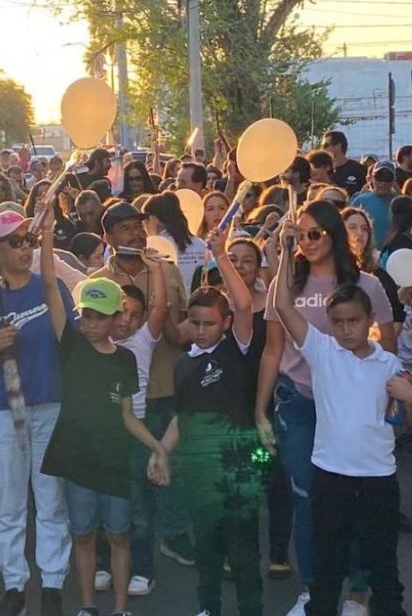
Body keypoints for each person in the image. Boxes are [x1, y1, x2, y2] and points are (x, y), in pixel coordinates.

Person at [256, 200, 396, 616]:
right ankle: (313, 590)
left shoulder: (367, 285)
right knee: (306, 500)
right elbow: (272, 351)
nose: (307, 241)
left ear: (334, 233)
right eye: (300, 235)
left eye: (314, 233)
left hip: (354, 411)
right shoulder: (289, 286)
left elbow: (387, 347)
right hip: (298, 403)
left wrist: (388, 402)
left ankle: (357, 592)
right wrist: (259, 411)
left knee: (354, 499)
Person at [39, 226, 159, 616]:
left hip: (114, 462)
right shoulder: (71, 345)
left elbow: (126, 415)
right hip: (77, 462)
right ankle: (89, 605)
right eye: (83, 315)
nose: (87, 322)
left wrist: (157, 447)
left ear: (113, 318)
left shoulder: (125, 359)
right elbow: (49, 288)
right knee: (84, 535)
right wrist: (45, 237)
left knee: (120, 536)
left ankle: (120, 608)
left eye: (95, 316)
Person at [0, 211, 72, 616]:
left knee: (51, 500)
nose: (25, 247)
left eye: (29, 239)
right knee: (8, 504)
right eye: (15, 241)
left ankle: (54, 581)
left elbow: (69, 342)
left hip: (50, 407)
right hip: (1, 414)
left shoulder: (53, 288)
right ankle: (14, 585)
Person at [156, 224, 265, 616]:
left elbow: (245, 306)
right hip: (199, 469)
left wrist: (221, 254)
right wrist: (162, 452)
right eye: (195, 323)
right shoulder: (183, 365)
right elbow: (181, 418)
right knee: (207, 548)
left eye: (210, 324)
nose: (201, 331)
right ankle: (208, 608)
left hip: (240, 465)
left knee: (244, 553)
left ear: (224, 324)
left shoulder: (237, 350)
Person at [90, 202, 196, 578]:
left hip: (165, 385)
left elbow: (182, 332)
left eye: (138, 226)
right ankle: (131, 551)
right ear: (108, 238)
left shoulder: (166, 271)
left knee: (171, 469)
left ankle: (175, 533)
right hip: (119, 400)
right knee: (129, 479)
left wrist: (165, 319)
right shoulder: (99, 280)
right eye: (124, 229)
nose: (135, 234)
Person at [144, 192, 208, 293]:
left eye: (146, 219)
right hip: (200, 300)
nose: (144, 225)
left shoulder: (156, 247)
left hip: (173, 300)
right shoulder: (201, 244)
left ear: (156, 219)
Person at [349, 161, 398, 247]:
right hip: (367, 252)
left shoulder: (399, 202)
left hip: (392, 252)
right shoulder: (360, 201)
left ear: (394, 180)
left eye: (387, 178)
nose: (382, 183)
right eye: (379, 177)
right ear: (371, 178)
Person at [322, 131, 368, 195]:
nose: (322, 149)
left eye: (325, 145)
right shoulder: (322, 170)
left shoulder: (359, 170)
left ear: (338, 146)